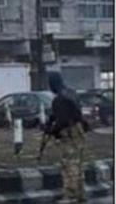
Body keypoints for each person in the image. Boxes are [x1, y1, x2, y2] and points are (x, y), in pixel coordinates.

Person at [43, 71, 87, 203]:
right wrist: (51, 120)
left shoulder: (59, 99)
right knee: (78, 164)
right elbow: (68, 112)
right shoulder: (71, 92)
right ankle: (80, 194)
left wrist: (51, 130)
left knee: (69, 165)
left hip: (68, 133)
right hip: (79, 131)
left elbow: (61, 121)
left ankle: (71, 196)